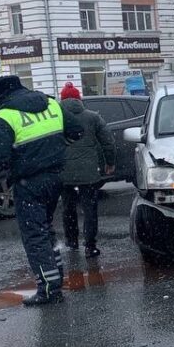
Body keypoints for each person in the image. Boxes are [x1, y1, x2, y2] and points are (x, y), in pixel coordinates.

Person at [0, 75, 80, 306]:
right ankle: (55, 280)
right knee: (46, 231)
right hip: (56, 178)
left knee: (35, 235)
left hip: (28, 182)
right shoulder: (52, 103)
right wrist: (54, 151)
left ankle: (48, 289)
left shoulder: (5, 115)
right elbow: (76, 131)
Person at [58, 82, 115, 258]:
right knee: (89, 209)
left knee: (68, 208)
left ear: (61, 100)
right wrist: (109, 162)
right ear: (79, 99)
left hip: (63, 173)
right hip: (89, 172)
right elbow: (108, 141)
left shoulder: (56, 118)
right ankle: (90, 246)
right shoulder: (92, 117)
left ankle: (71, 242)